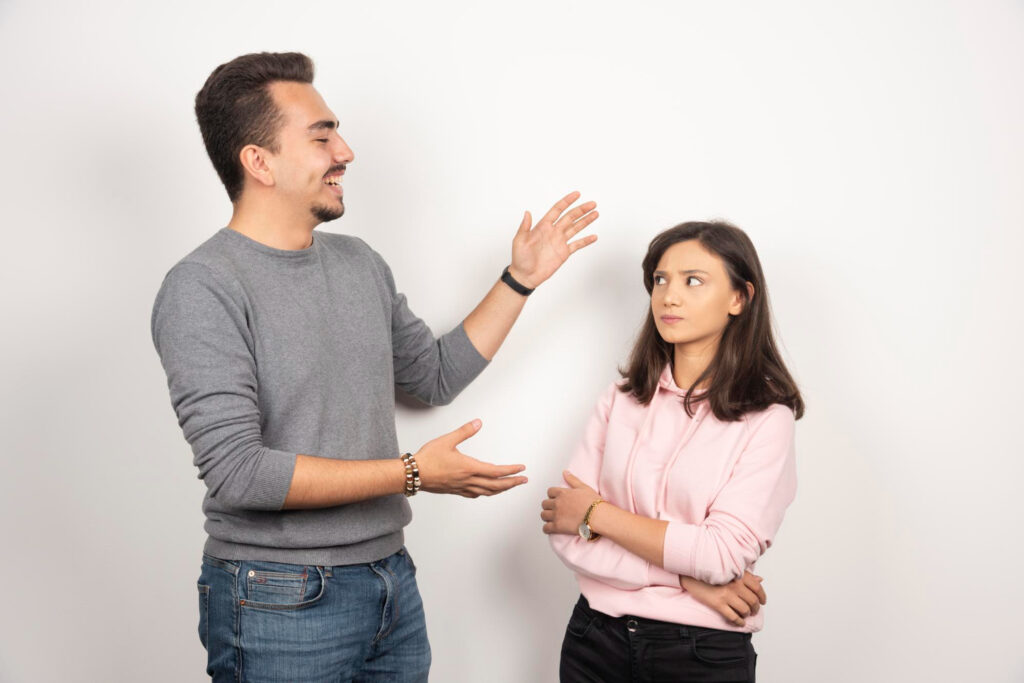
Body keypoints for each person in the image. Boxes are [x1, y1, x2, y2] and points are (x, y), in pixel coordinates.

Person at [151, 51, 598, 682]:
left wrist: (519, 280)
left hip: (390, 581)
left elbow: (433, 376)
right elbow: (239, 473)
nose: (346, 151)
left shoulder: (359, 263)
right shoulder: (202, 287)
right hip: (279, 596)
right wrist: (413, 473)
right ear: (259, 161)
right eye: (321, 135)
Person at [542, 221, 803, 682]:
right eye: (660, 280)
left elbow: (721, 556)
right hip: (593, 640)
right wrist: (687, 578)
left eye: (693, 281)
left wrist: (597, 516)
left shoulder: (767, 416)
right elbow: (564, 528)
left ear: (740, 298)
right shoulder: (621, 398)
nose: (669, 296)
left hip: (699, 654)